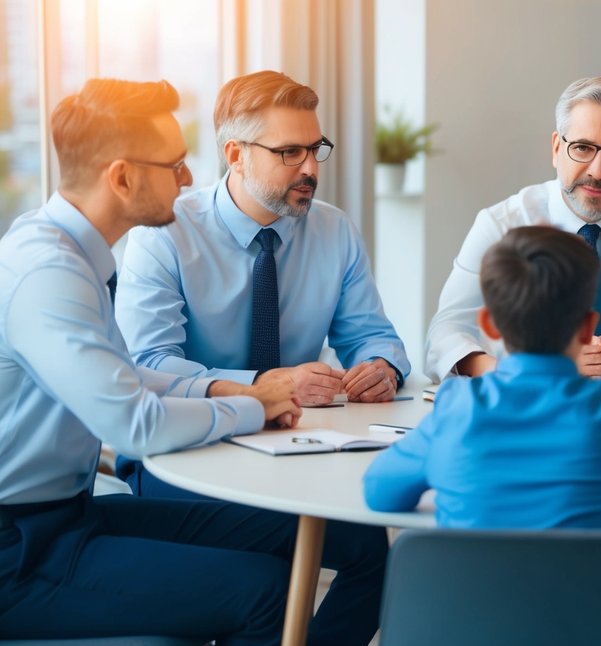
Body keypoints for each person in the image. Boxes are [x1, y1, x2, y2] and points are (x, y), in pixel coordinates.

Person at [0, 78, 342, 646]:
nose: (189, 180)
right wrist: (255, 409)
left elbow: (127, 378)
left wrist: (227, 392)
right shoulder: (47, 272)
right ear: (123, 177)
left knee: (290, 542)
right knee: (267, 592)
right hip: (17, 552)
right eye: (175, 164)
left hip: (63, 518)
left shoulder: (72, 255)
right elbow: (132, 423)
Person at [115, 70, 409, 496]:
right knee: (279, 549)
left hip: (298, 442)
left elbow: (372, 336)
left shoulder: (334, 229)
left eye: (315, 148)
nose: (310, 168)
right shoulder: (163, 233)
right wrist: (265, 386)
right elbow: (149, 363)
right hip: (185, 449)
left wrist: (382, 367)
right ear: (235, 155)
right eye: (289, 152)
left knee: (376, 541)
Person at [365, 225, 601, 528]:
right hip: (595, 609)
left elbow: (379, 491)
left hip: (466, 608)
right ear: (588, 328)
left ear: (488, 324)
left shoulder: (455, 407)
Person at [424, 76, 601, 386]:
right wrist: (525, 376)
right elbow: (444, 336)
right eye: (583, 148)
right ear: (556, 148)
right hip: (525, 405)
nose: (598, 171)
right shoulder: (500, 224)